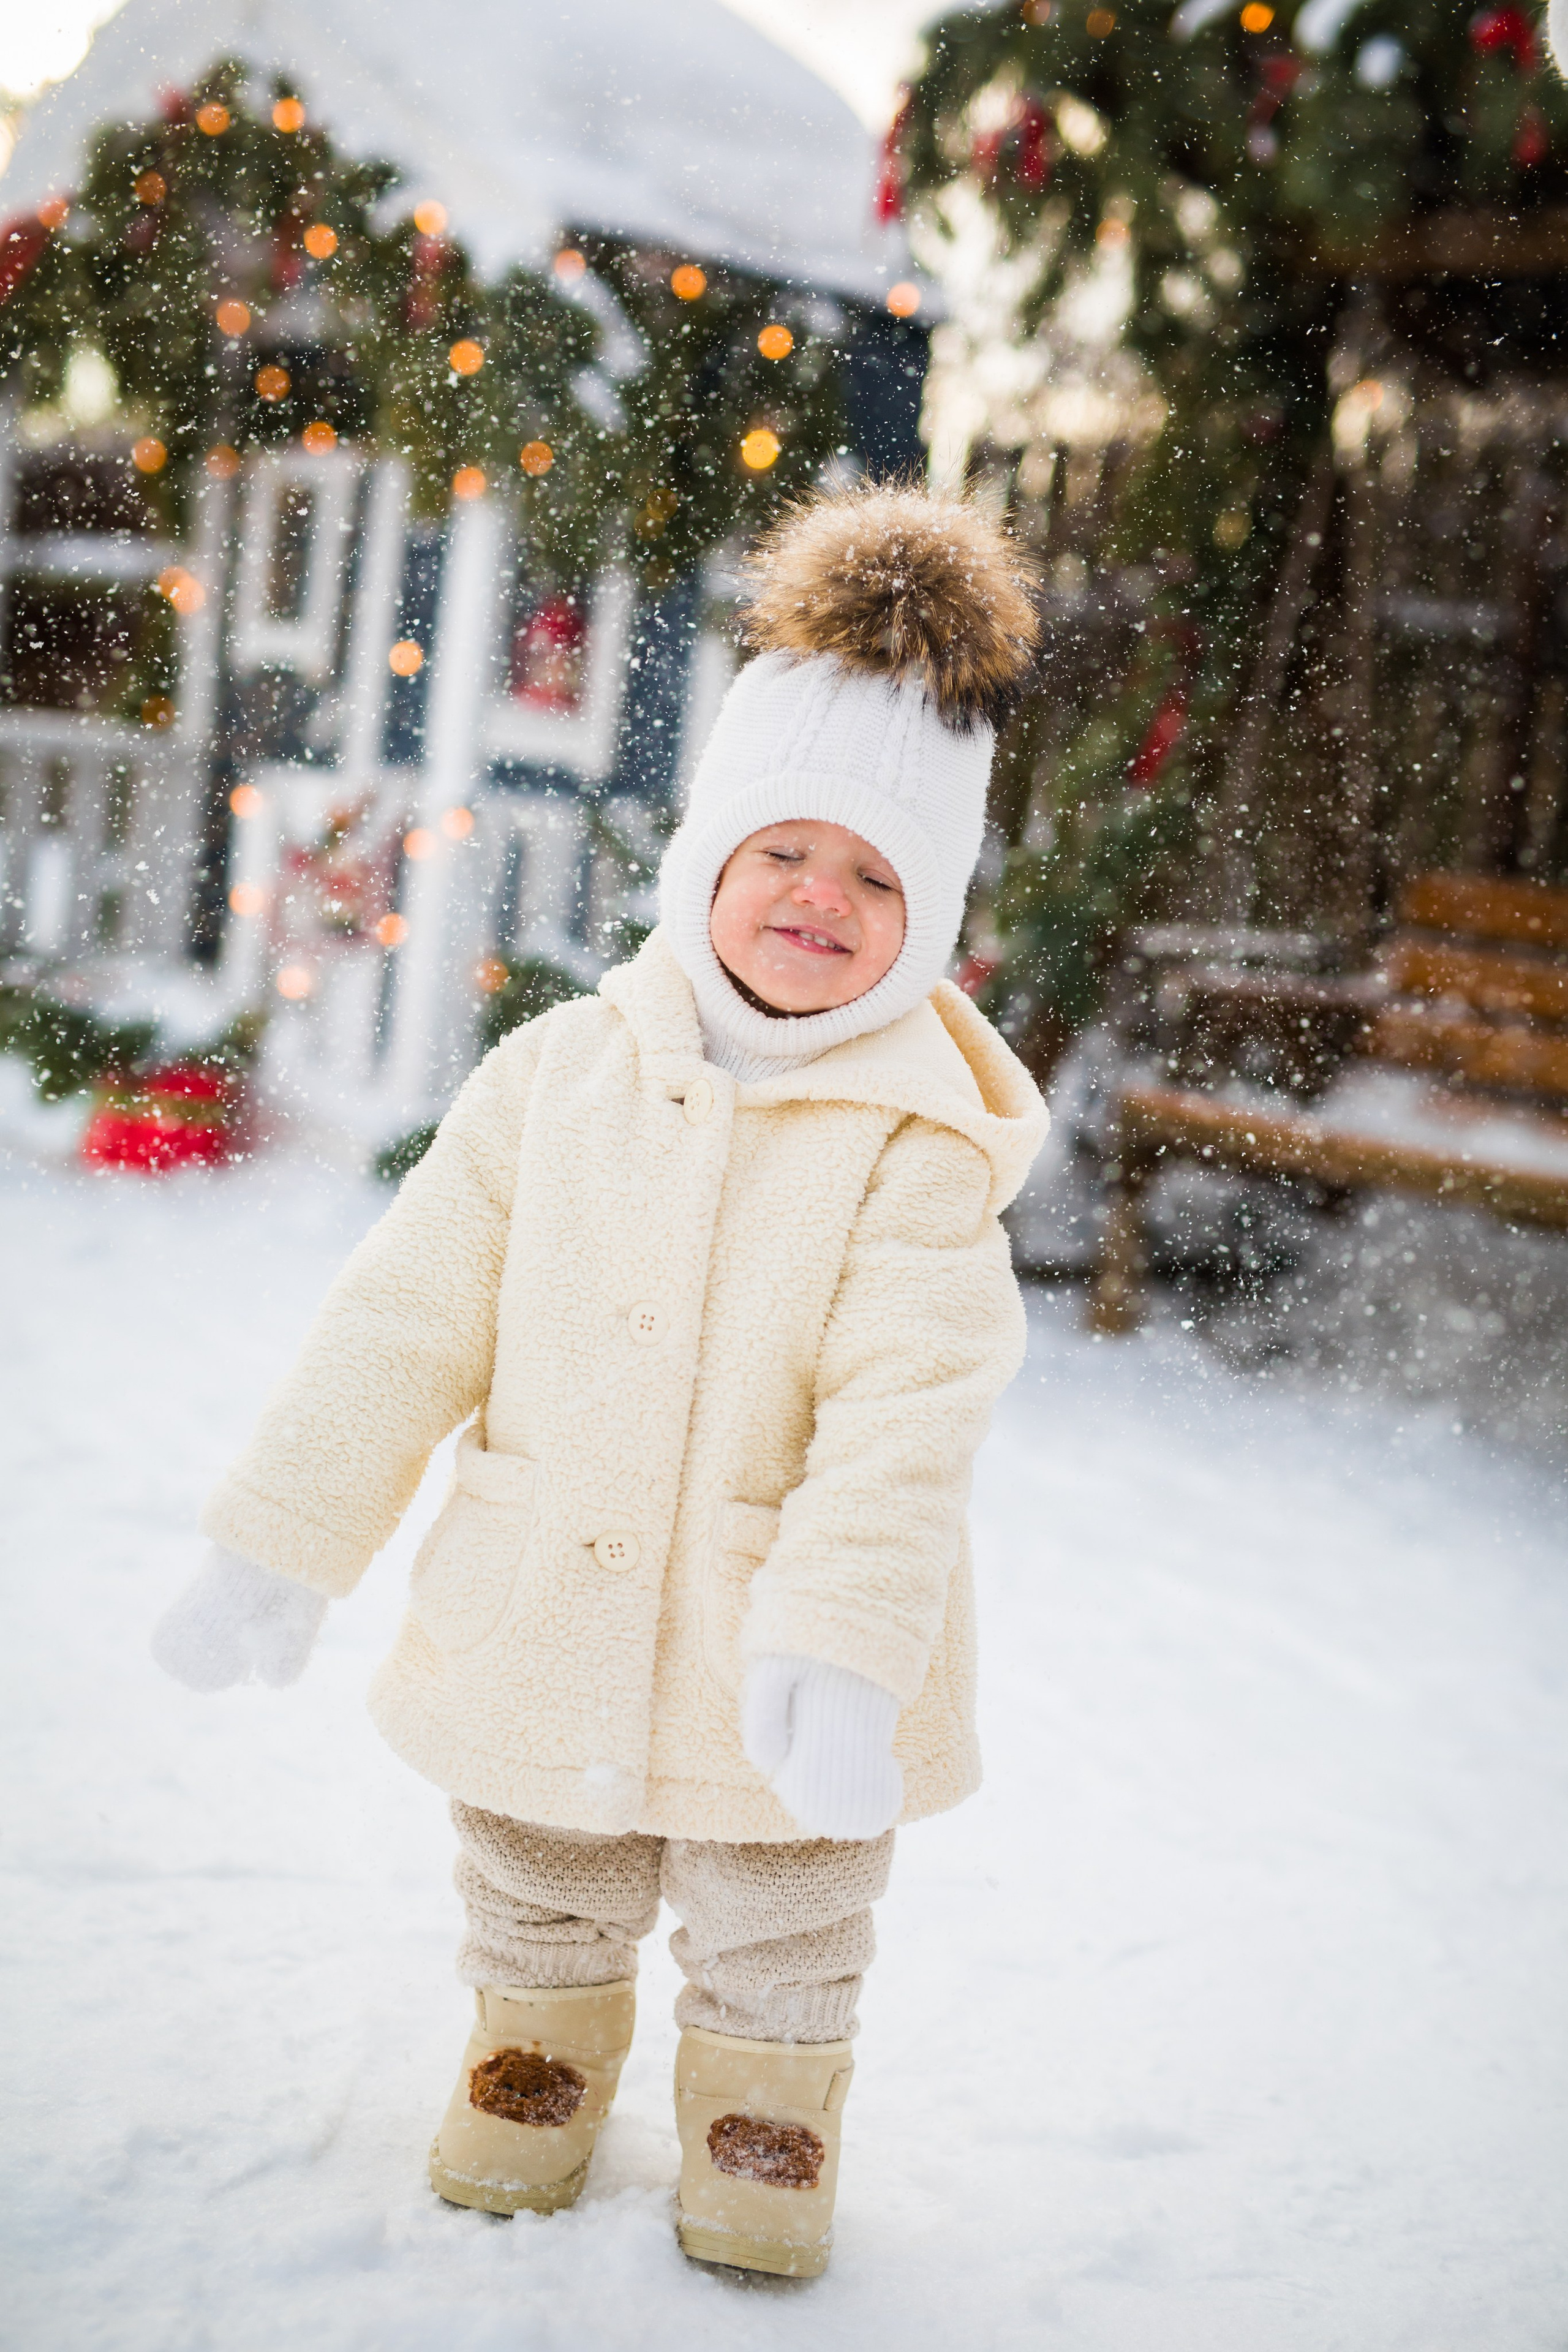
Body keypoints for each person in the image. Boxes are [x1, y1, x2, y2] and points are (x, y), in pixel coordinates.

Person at [153, 483, 1048, 2278]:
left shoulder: (920, 1145)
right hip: (547, 1593)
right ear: (707, 854)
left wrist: (848, 1638)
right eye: (788, 849)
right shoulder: (552, 1079)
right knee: (540, 1859)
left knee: (787, 1894)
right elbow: (401, 1323)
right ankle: (535, 2056)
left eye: (880, 879)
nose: (823, 897)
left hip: (777, 1641)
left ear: (929, 919)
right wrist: (280, 1540)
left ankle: (766, 2108)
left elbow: (909, 1417)